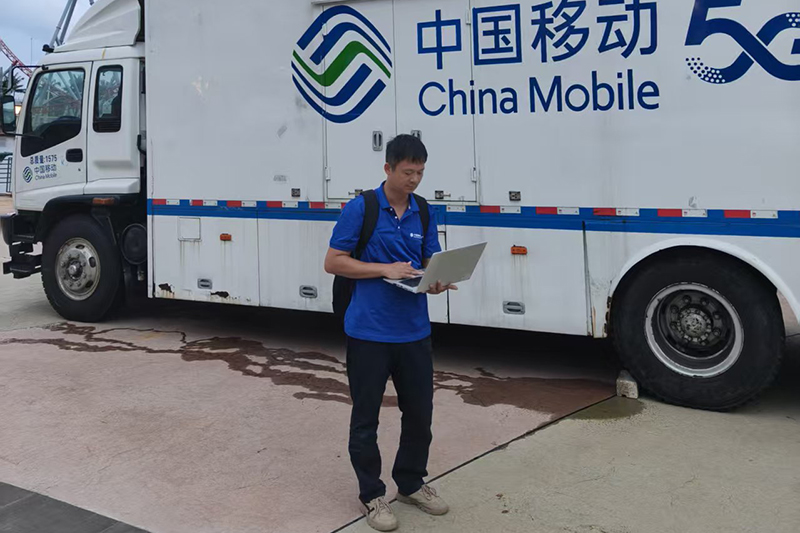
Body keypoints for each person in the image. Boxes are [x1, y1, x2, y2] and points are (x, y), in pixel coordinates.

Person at [324, 134, 456, 532]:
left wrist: (437, 279)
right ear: (388, 169)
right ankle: (372, 495)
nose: (414, 180)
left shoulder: (423, 210)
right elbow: (334, 262)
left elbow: (428, 260)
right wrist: (384, 269)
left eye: (420, 172)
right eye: (407, 172)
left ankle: (411, 483)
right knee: (366, 418)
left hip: (413, 331)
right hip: (369, 332)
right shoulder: (361, 208)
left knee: (420, 414)